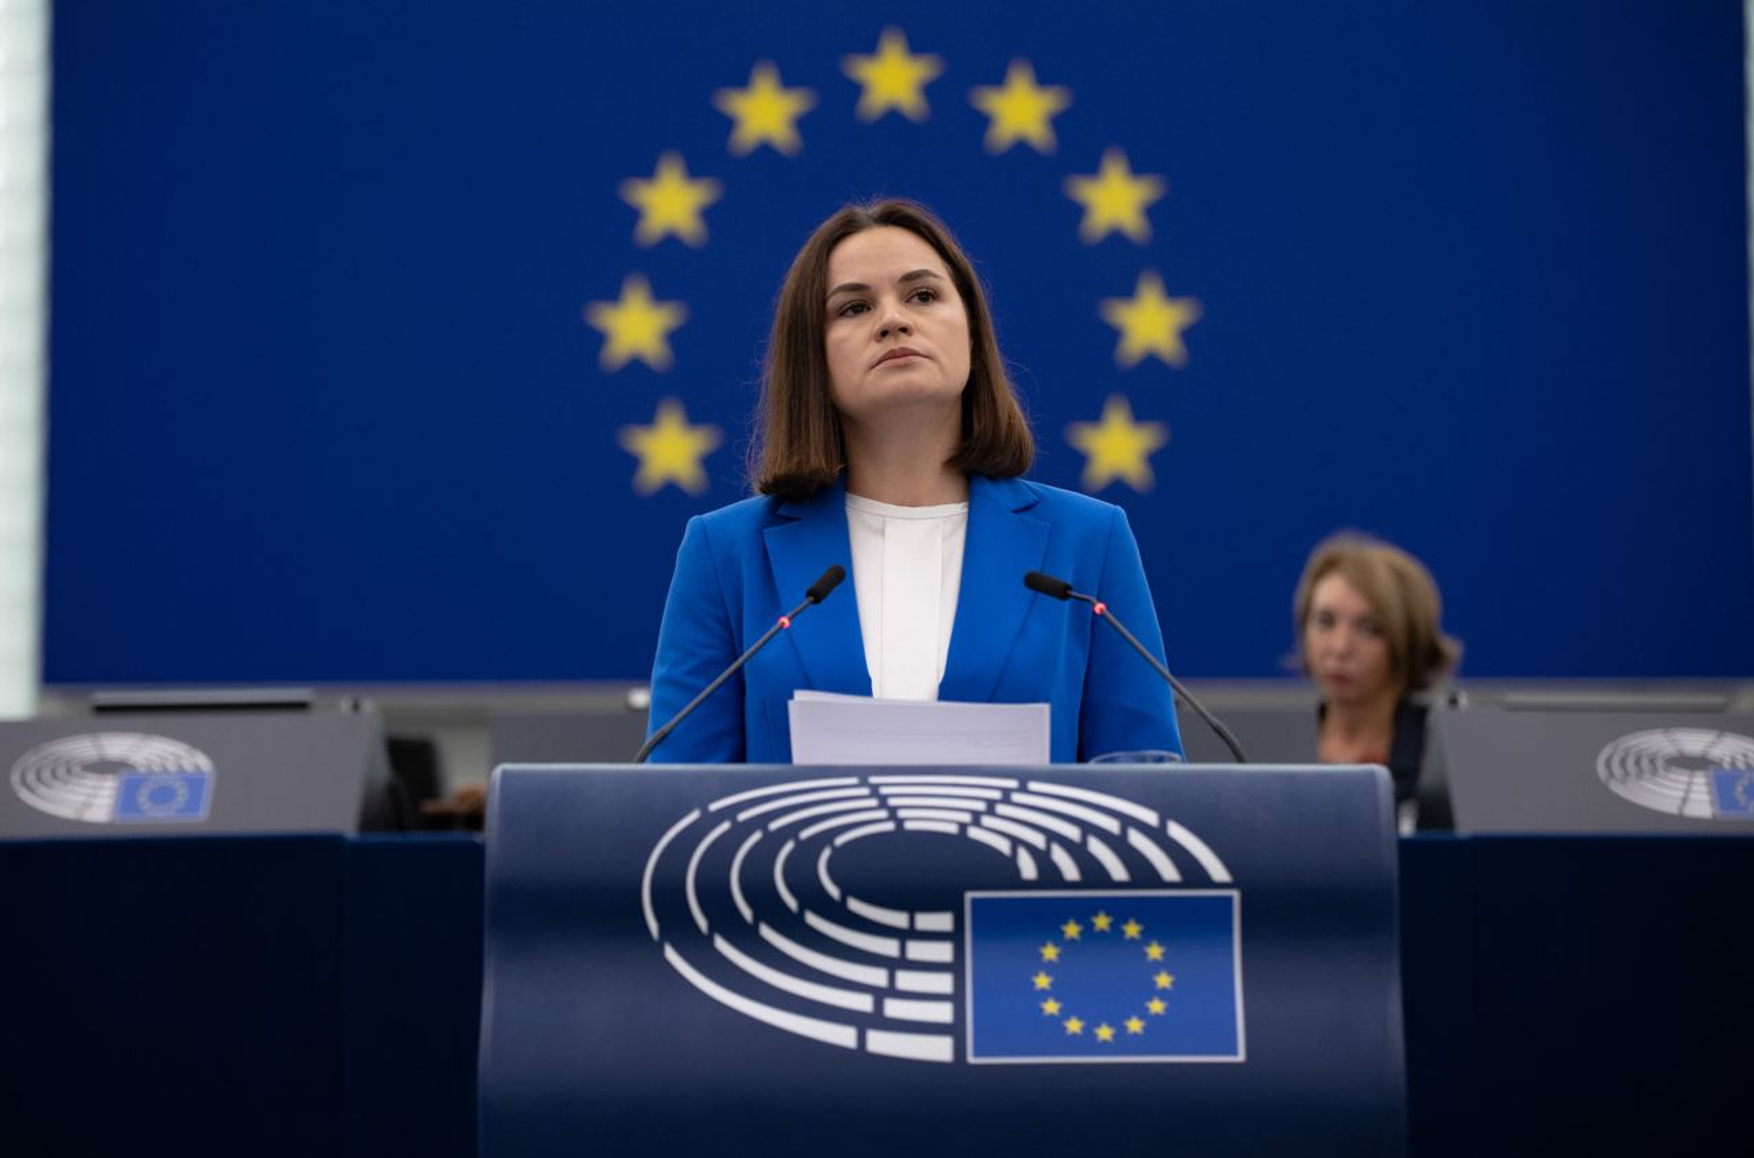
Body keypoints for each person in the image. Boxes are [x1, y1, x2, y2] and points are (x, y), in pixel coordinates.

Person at [644, 199, 1183, 763]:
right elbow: (679, 794)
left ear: (971, 334)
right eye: (854, 308)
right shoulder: (725, 553)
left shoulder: (1089, 540)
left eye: (923, 296)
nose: (893, 321)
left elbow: (1143, 781)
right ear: (813, 359)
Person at [1293, 534, 1460, 801]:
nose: (1340, 647)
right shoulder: (1267, 745)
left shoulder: (1444, 760)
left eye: (1369, 628)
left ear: (1406, 640)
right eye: (1325, 621)